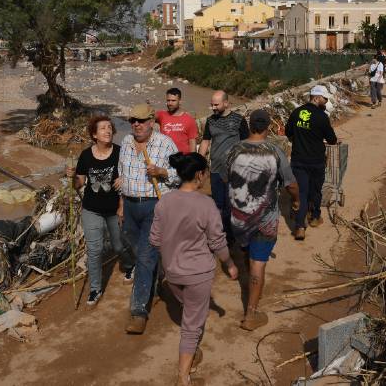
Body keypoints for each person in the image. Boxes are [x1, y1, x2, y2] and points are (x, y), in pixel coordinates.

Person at [150, 153, 238, 386]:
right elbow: (218, 242)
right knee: (191, 326)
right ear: (199, 174)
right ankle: (183, 376)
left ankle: (190, 355)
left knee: (189, 310)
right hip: (197, 273)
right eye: (206, 173)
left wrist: (171, 252)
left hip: (172, 272)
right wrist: (229, 263)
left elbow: (155, 240)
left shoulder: (164, 202)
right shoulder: (206, 204)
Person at [225, 109, 299, 329]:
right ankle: (251, 314)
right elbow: (291, 184)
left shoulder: (234, 150)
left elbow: (224, 177)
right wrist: (296, 201)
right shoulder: (275, 152)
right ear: (268, 127)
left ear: (249, 126)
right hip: (264, 220)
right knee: (258, 264)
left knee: (248, 254)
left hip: (238, 219)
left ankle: (250, 287)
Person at [119, 103, 180, 334]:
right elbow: (122, 173)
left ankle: (138, 312)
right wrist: (121, 203)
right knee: (137, 250)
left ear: (152, 122)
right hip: (131, 206)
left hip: (155, 205)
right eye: (133, 120)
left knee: (145, 255)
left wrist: (162, 172)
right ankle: (157, 278)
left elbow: (180, 173)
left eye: (141, 120)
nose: (136, 124)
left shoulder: (165, 143)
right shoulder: (125, 142)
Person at [67, 115, 134, 307]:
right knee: (94, 250)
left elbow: (130, 175)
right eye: (103, 128)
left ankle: (130, 265)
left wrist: (122, 202)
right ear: (94, 135)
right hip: (91, 209)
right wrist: (72, 178)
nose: (108, 131)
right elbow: (79, 183)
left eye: (109, 128)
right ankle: (95, 288)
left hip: (114, 209)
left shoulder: (121, 153)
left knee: (118, 246)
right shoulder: (86, 155)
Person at [284, 86, 337, 240]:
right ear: (316, 98)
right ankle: (314, 217)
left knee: (301, 192)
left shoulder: (296, 112)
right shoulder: (322, 117)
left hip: (298, 160)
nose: (326, 101)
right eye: (325, 98)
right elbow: (332, 139)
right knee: (315, 190)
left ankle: (300, 227)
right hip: (316, 161)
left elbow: (288, 132)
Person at [198, 90, 249, 245]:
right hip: (215, 170)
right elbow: (205, 142)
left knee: (232, 203)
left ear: (226, 103)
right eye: (211, 104)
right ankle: (221, 233)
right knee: (218, 203)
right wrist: (199, 163)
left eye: (216, 104)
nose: (213, 107)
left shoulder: (239, 120)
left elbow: (246, 143)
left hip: (235, 171)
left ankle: (233, 234)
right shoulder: (210, 121)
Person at [156, 87, 198, 154]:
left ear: (180, 101)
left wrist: (193, 161)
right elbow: (147, 117)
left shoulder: (189, 120)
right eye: (168, 100)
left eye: (173, 101)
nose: (170, 103)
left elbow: (192, 144)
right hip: (164, 158)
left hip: (182, 160)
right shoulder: (161, 115)